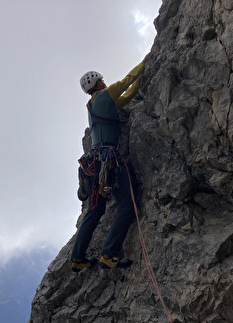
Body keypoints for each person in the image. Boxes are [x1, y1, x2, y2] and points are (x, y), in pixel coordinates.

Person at [71, 55, 148, 272]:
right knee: (127, 205)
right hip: (108, 159)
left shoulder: (92, 105)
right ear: (99, 83)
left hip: (94, 163)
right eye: (102, 81)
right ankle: (109, 254)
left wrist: (138, 85)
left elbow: (124, 100)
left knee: (95, 211)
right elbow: (126, 81)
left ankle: (78, 258)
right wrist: (144, 63)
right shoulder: (106, 94)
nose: (104, 83)